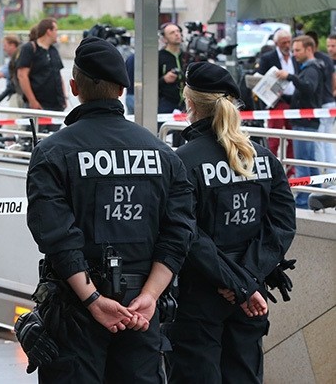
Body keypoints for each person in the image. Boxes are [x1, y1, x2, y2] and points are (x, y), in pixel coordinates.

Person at [24, 36, 195, 382]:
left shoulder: (54, 152)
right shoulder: (162, 154)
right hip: (141, 311)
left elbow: (57, 236)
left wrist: (93, 299)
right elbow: (179, 232)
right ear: (121, 90)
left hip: (75, 309)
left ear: (74, 87)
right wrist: (149, 297)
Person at [166, 62, 296, 384]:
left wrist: (234, 283)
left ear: (191, 104)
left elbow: (187, 234)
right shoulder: (263, 158)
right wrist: (247, 281)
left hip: (200, 297)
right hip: (252, 295)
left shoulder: (182, 161)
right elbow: (281, 226)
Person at [276, 35, 324, 208]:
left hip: (305, 123)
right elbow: (304, 94)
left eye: (297, 50)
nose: (294, 53)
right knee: (309, 163)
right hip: (306, 121)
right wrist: (286, 97)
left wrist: (290, 76)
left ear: (309, 49)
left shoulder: (311, 69)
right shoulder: (310, 68)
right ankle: (316, 196)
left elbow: (308, 88)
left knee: (303, 164)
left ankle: (304, 201)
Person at [257, 29, 297, 167]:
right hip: (277, 102)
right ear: (276, 43)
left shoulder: (295, 56)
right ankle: (272, 167)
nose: (287, 45)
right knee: (274, 138)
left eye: (288, 42)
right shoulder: (268, 58)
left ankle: (291, 169)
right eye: (283, 42)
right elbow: (259, 78)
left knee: (293, 138)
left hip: (294, 102)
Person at [306, 31, 336, 173]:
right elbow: (333, 79)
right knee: (328, 141)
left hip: (321, 105)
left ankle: (322, 174)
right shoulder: (327, 59)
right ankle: (331, 174)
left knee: (318, 142)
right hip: (330, 102)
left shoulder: (315, 61)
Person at [158, 22, 189, 146]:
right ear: (165, 38)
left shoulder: (187, 56)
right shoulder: (159, 57)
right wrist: (164, 79)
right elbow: (150, 83)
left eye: (178, 31)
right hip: (166, 101)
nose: (177, 34)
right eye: (172, 32)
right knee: (160, 130)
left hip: (186, 102)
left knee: (182, 134)